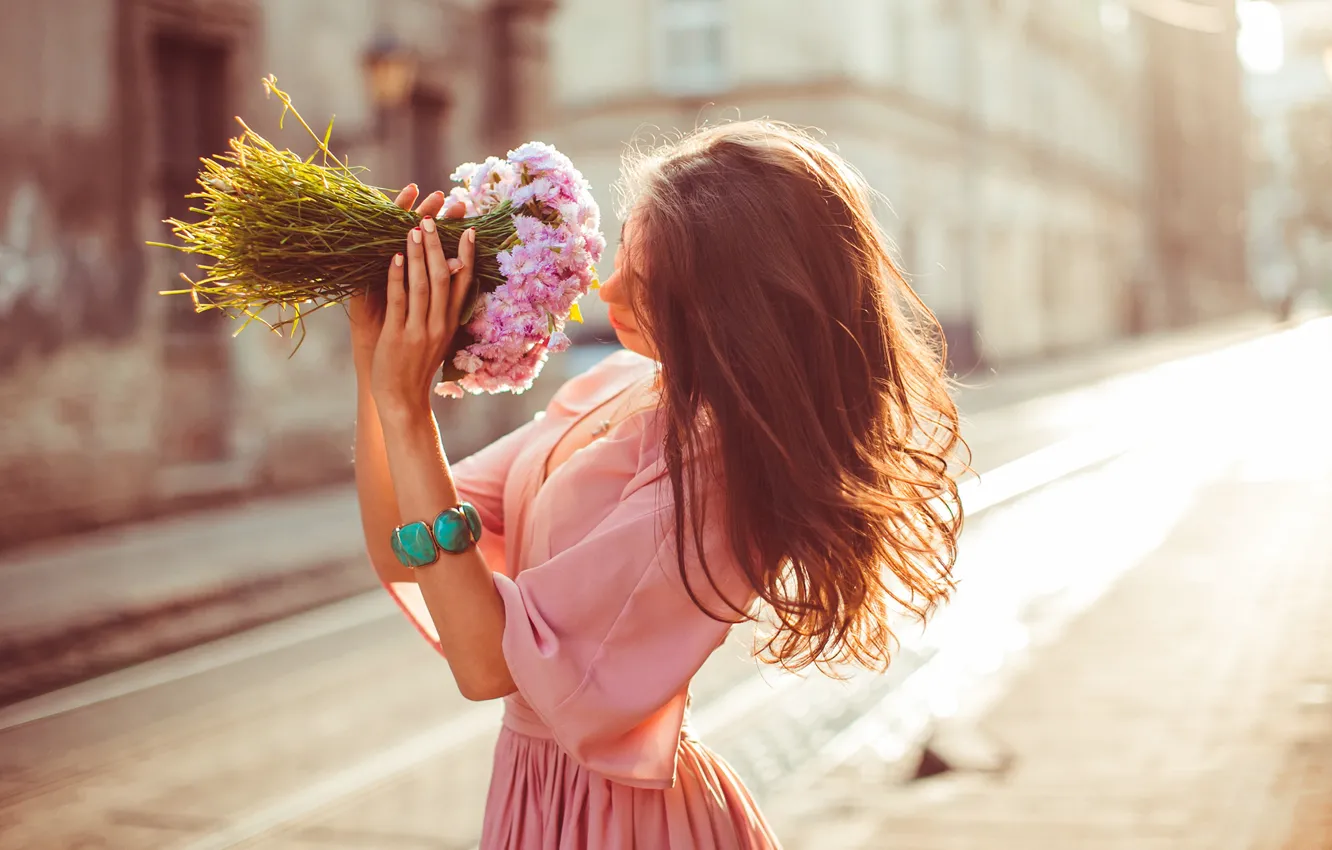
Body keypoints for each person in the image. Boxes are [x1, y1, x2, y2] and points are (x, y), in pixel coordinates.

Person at [347, 121, 965, 849]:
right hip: (536, 797)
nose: (604, 288)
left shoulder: (714, 471)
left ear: (721, 304)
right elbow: (403, 552)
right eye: (622, 258)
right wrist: (375, 356)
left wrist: (407, 407)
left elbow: (486, 665)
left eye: (641, 282)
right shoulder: (617, 385)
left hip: (625, 825)